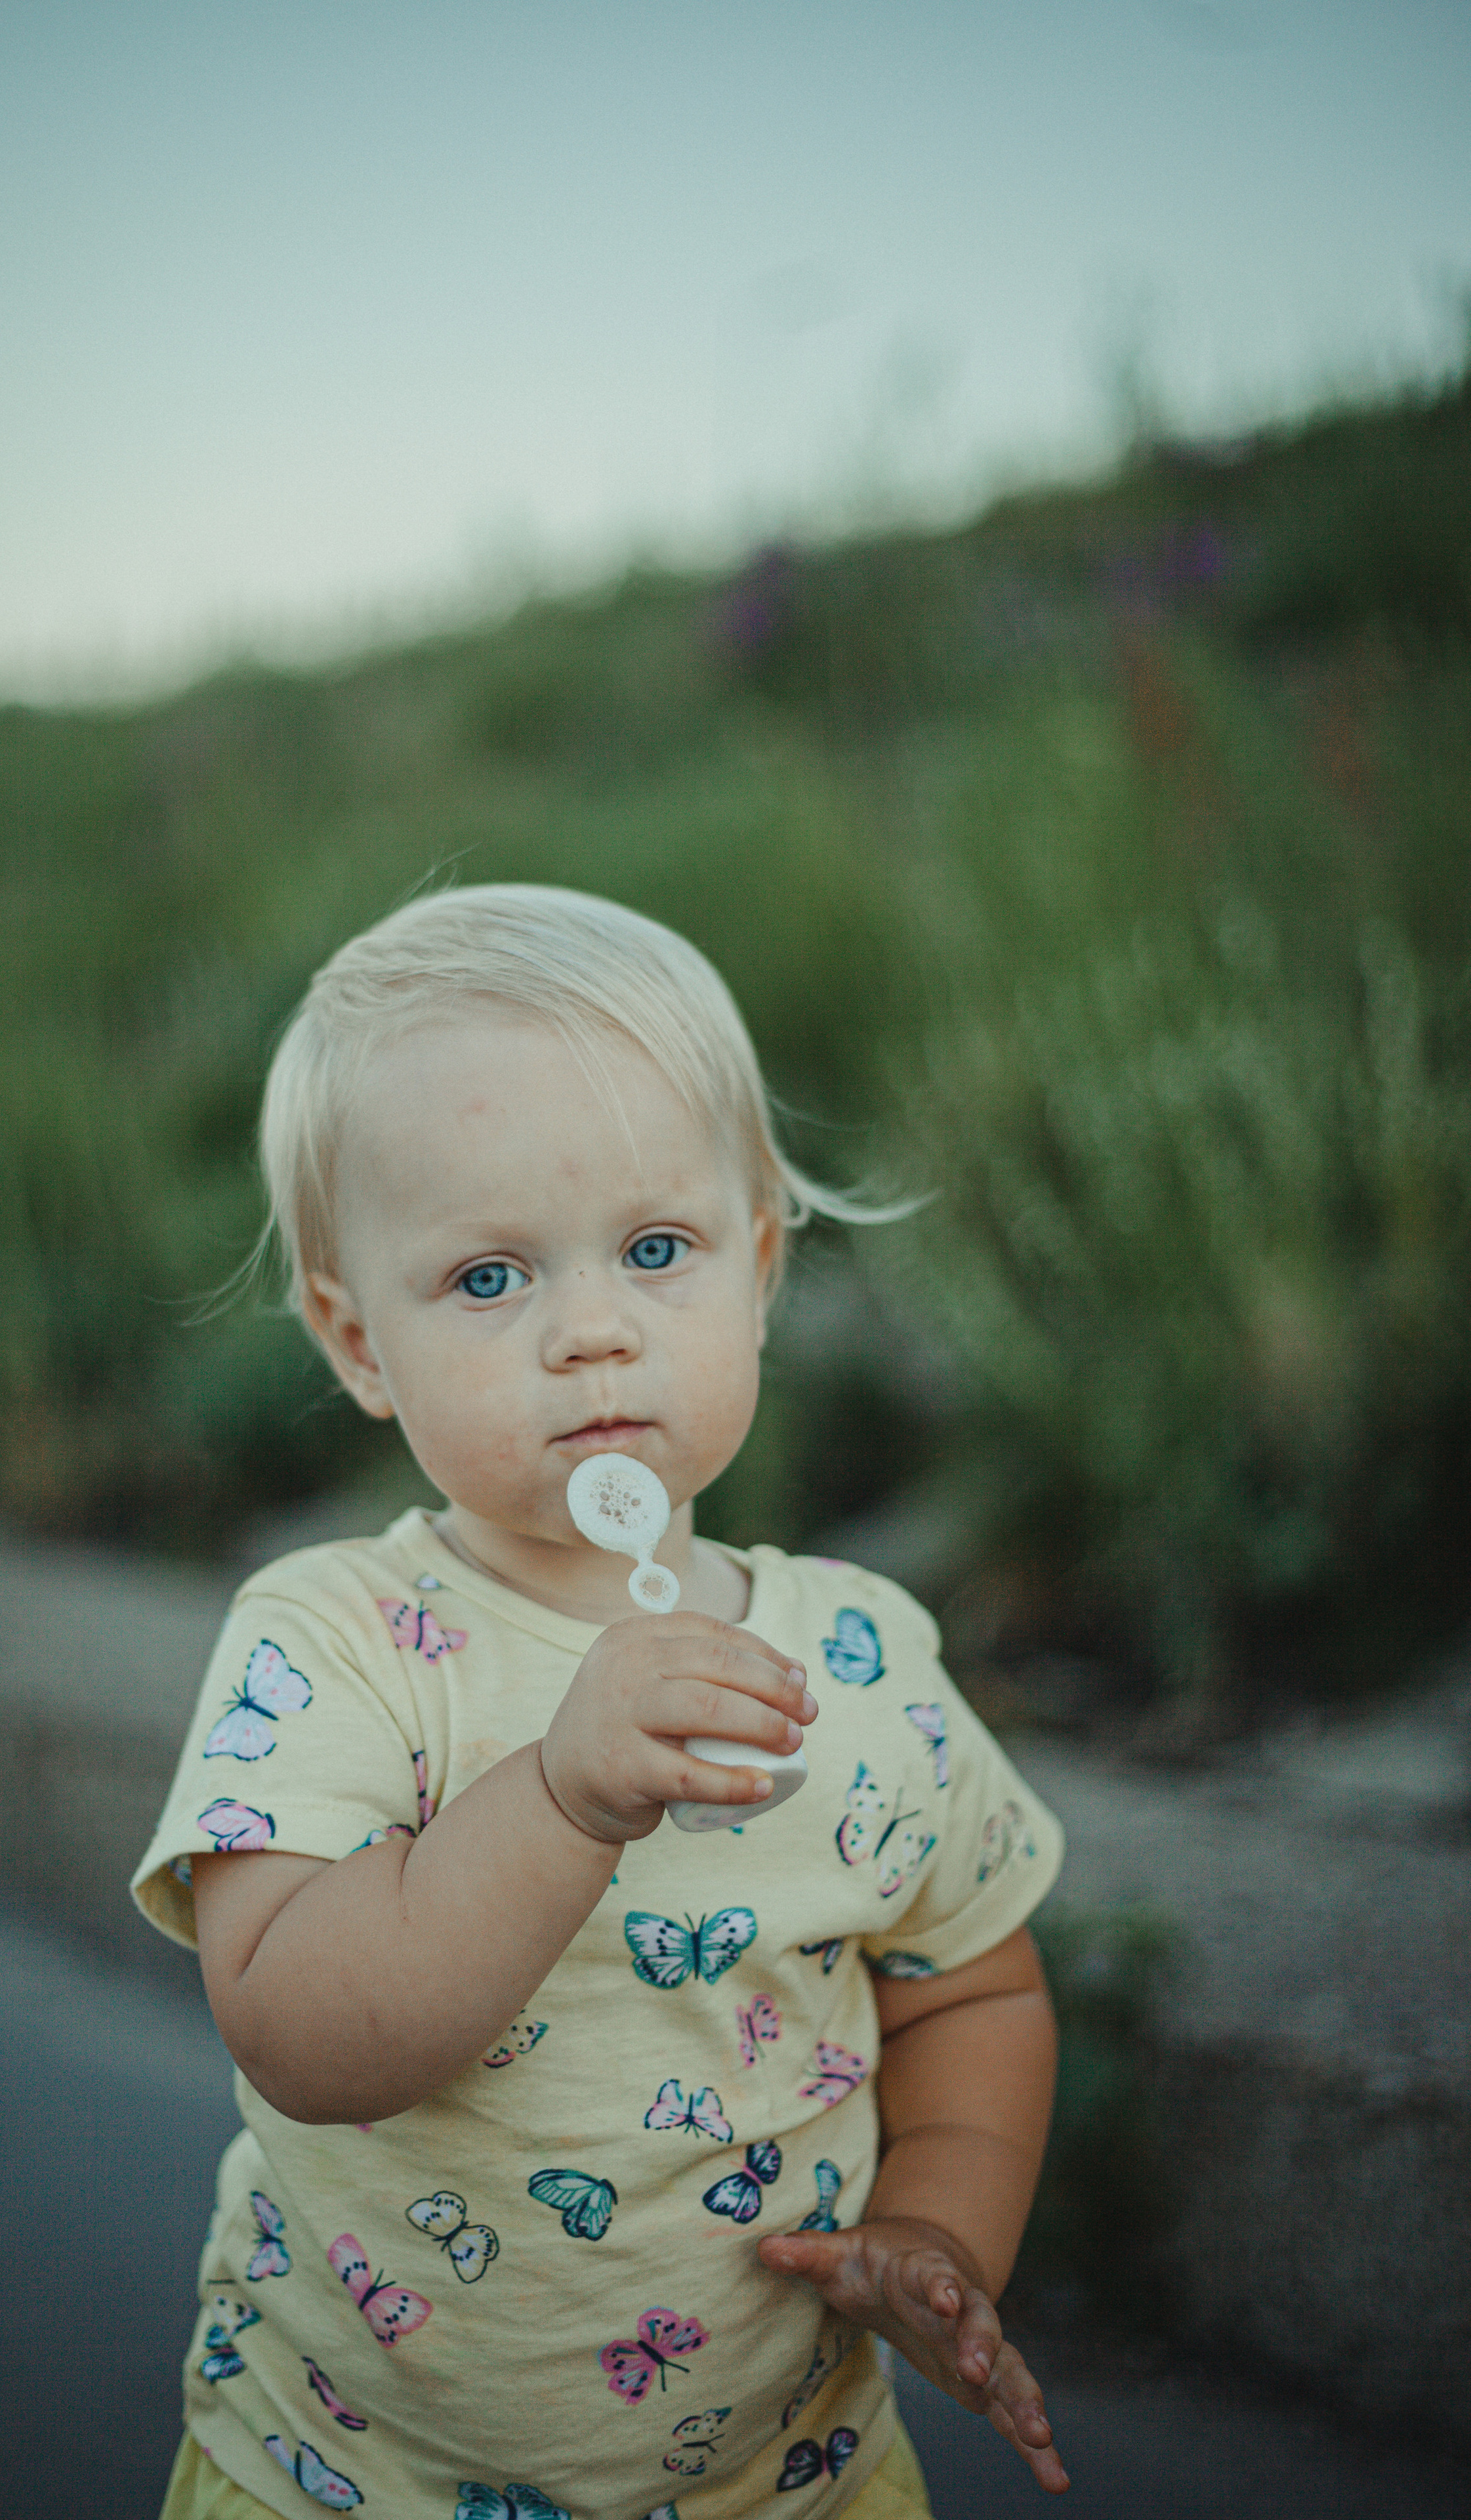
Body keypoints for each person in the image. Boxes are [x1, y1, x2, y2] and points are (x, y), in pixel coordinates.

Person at [133, 884, 1070, 2520]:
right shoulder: (333, 1643)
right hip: (357, 2479)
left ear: (759, 1264)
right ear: (361, 1342)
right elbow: (295, 2029)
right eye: (488, 1279)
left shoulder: (859, 1662)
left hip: (801, 2477)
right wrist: (558, 1797)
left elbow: (967, 1991)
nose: (589, 1332)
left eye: (654, 1250)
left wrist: (934, 2230)